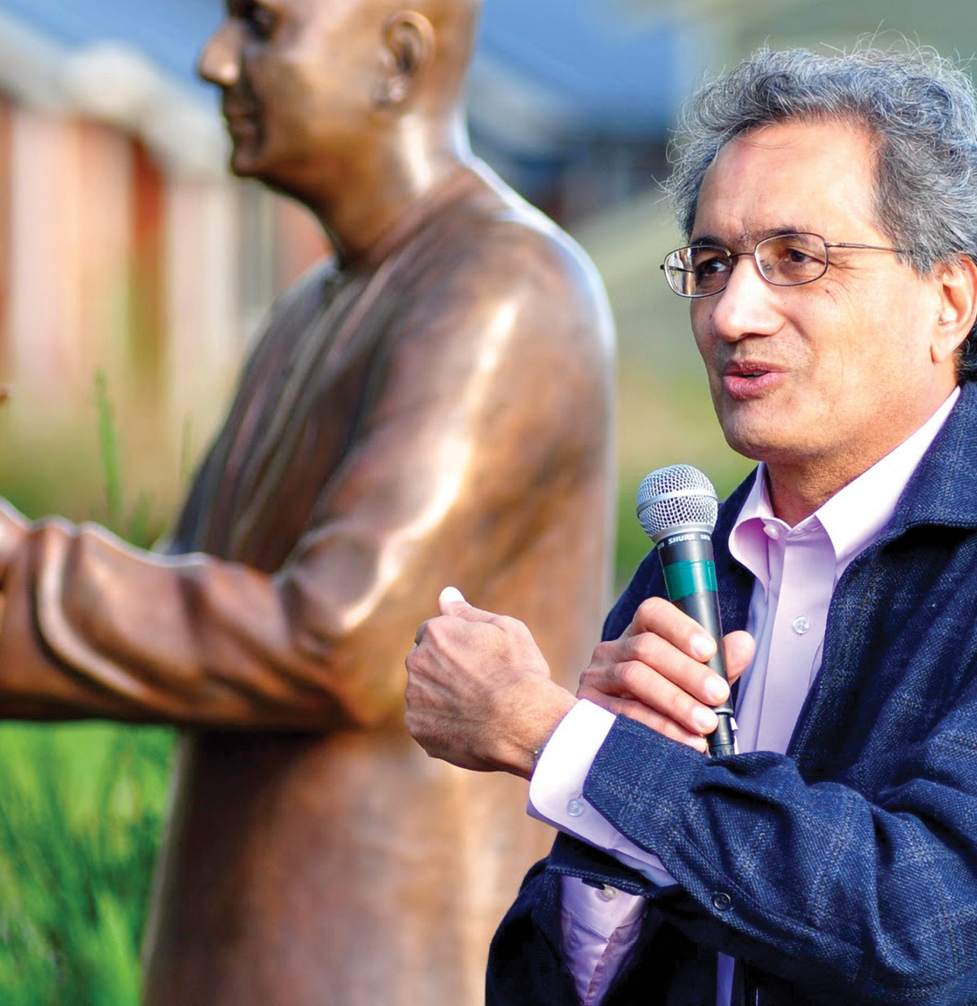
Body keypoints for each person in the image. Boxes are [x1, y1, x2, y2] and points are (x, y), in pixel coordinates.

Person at [402, 44, 977, 1005]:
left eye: (795, 258)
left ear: (948, 301)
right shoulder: (691, 564)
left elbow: (923, 925)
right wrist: (612, 815)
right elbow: (548, 984)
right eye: (710, 263)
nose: (734, 311)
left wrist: (551, 735)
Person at [0, 0, 615, 1003]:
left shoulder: (507, 288)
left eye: (261, 26)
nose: (214, 62)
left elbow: (341, 641)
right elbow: (171, 626)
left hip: (389, 969)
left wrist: (23, 571)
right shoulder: (312, 308)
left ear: (397, 58)